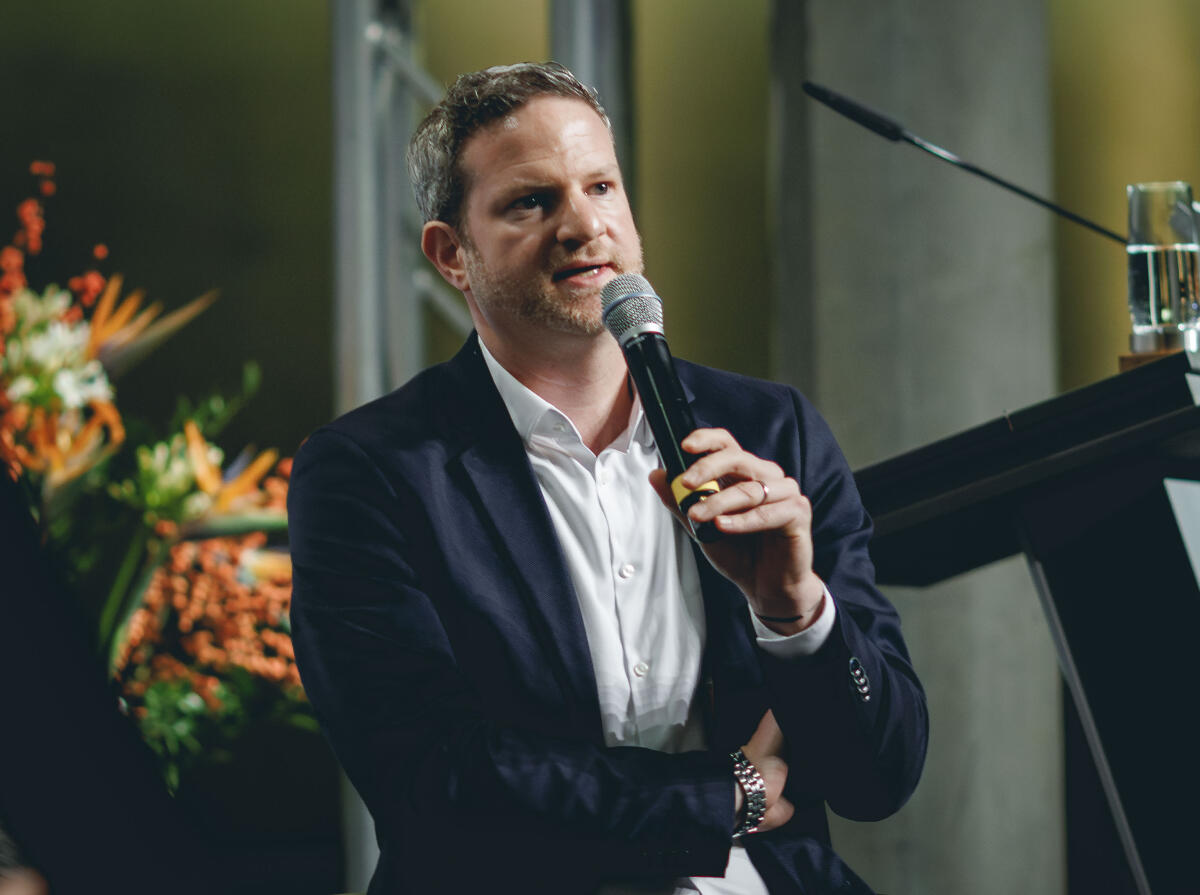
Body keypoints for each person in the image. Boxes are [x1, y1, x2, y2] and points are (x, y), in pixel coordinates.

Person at [288, 62, 927, 895]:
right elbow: (434, 780)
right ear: (452, 255)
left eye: (601, 186)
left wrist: (796, 611)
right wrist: (724, 791)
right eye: (531, 201)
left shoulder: (773, 430)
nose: (584, 226)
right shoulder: (370, 471)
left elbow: (882, 775)